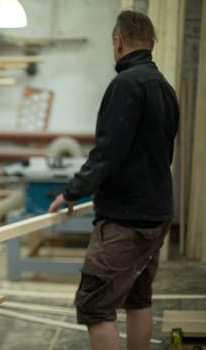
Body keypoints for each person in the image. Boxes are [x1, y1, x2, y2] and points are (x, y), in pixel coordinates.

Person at [48, 10, 179, 350]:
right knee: (138, 298)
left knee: (95, 306)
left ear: (118, 43)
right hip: (157, 214)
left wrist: (72, 191)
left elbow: (108, 153)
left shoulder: (125, 85)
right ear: (150, 44)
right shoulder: (164, 88)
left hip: (126, 221)